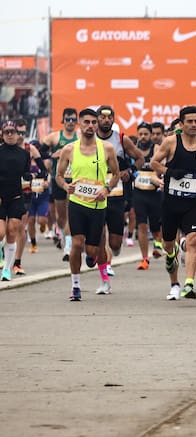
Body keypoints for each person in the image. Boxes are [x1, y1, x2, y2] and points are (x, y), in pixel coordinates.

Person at [150, 106, 196, 301]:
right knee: (168, 245)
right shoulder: (171, 142)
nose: (194, 125)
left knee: (193, 240)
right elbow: (154, 163)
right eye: (190, 121)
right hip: (171, 202)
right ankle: (174, 283)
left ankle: (189, 284)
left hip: (192, 203)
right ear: (181, 124)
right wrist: (170, 172)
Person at [55, 109, 120, 301]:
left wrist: (106, 189)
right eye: (86, 122)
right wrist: (66, 186)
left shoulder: (107, 148)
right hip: (77, 203)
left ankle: (97, 264)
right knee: (76, 243)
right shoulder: (69, 149)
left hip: (98, 206)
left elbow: (116, 174)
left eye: (93, 122)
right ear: (80, 124)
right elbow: (58, 176)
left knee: (92, 251)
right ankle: (75, 286)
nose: (90, 126)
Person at [94, 106, 144, 294]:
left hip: (116, 195)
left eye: (109, 117)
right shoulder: (89, 139)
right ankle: (104, 278)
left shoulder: (121, 139)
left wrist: (130, 171)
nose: (106, 120)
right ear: (97, 119)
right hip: (95, 194)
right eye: (102, 117)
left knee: (114, 244)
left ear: (113, 119)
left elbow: (140, 158)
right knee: (99, 237)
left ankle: (113, 252)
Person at [0, 120, 45, 281]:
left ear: (17, 134)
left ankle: (7, 269)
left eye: (13, 132)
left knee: (12, 231)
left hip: (17, 197)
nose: (10, 135)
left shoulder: (24, 154)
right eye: (7, 132)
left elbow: (28, 173)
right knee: (1, 233)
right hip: (1, 198)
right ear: (2, 134)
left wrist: (32, 176)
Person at [41, 108, 79, 261]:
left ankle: (68, 247)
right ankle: (64, 238)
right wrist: (52, 155)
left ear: (76, 121)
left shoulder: (80, 137)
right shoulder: (54, 137)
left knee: (71, 214)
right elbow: (39, 152)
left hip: (75, 180)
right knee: (61, 216)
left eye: (73, 119)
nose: (70, 122)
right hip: (59, 180)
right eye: (67, 119)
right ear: (63, 120)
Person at [132, 122, 164, 270]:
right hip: (139, 193)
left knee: (156, 225)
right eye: (141, 134)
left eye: (146, 134)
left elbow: (161, 166)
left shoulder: (157, 149)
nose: (143, 137)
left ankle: (158, 243)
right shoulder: (134, 149)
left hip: (154, 193)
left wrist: (156, 176)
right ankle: (144, 258)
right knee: (142, 225)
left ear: (150, 135)